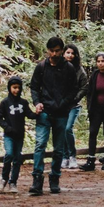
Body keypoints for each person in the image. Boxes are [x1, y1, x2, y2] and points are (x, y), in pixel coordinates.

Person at [29, 36, 77, 195]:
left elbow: (73, 90)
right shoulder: (41, 67)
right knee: (40, 145)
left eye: (57, 51)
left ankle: (55, 178)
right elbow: (34, 87)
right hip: (44, 113)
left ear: (62, 50)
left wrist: (65, 103)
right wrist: (37, 102)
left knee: (58, 149)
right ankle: (37, 179)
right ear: (47, 51)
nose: (55, 54)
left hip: (61, 114)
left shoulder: (69, 68)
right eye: (52, 51)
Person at [0, 75, 36, 193]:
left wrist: (38, 113)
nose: (16, 90)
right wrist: (7, 128)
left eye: (18, 88)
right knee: (9, 154)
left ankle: (13, 182)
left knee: (17, 158)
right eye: (14, 87)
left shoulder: (23, 102)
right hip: (9, 135)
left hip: (20, 135)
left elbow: (30, 114)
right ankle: (4, 179)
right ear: (9, 88)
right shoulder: (5, 102)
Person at [62, 43, 88, 170]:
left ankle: (72, 156)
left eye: (72, 53)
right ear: (63, 54)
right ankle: (64, 157)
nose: (70, 55)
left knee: (68, 128)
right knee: (62, 130)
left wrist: (76, 97)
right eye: (68, 53)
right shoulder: (59, 68)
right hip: (61, 105)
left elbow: (84, 86)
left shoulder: (79, 70)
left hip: (74, 105)